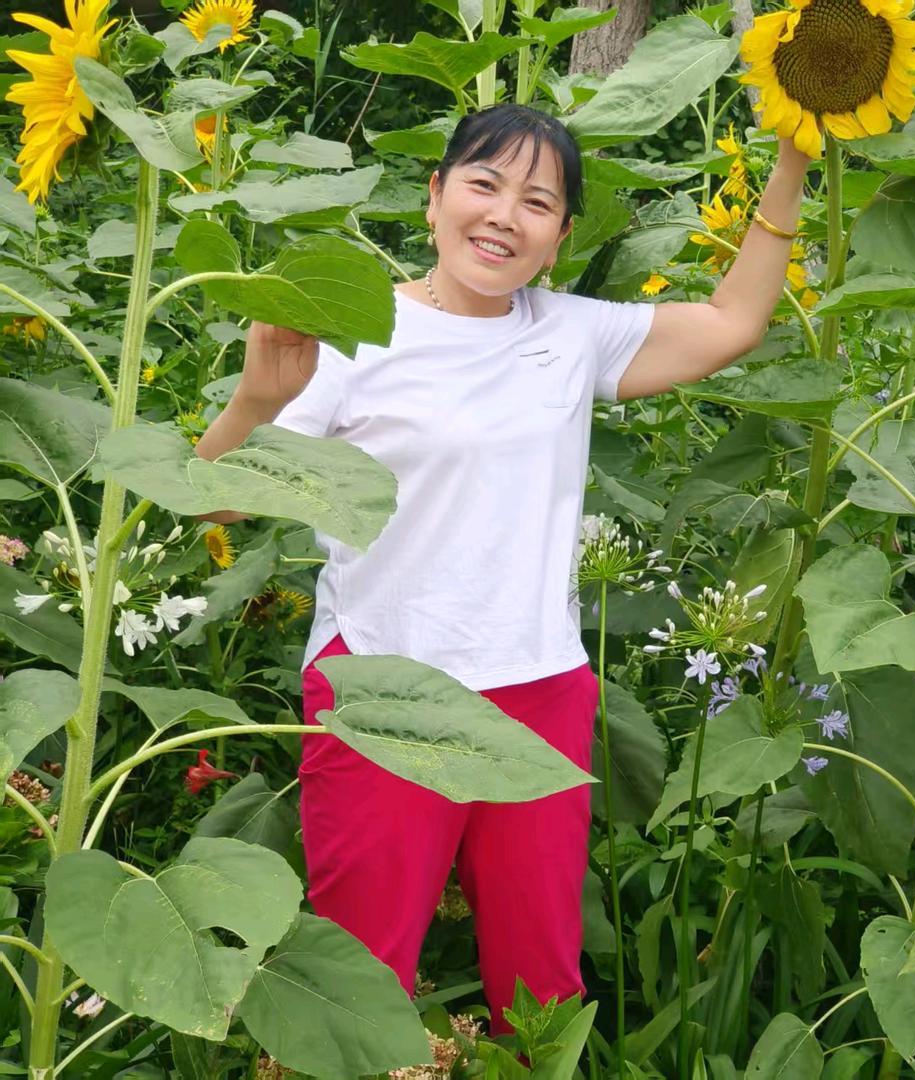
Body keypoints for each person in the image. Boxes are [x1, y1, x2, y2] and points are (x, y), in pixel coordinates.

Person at [195, 103, 809, 1035]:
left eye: (537, 201)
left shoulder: (570, 333)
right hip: (383, 690)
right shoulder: (353, 333)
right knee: (362, 977)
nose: (503, 215)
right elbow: (217, 502)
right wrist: (255, 399)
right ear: (436, 197)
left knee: (541, 984)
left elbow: (731, 322)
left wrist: (795, 155)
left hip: (538, 689)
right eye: (483, 184)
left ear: (559, 237)